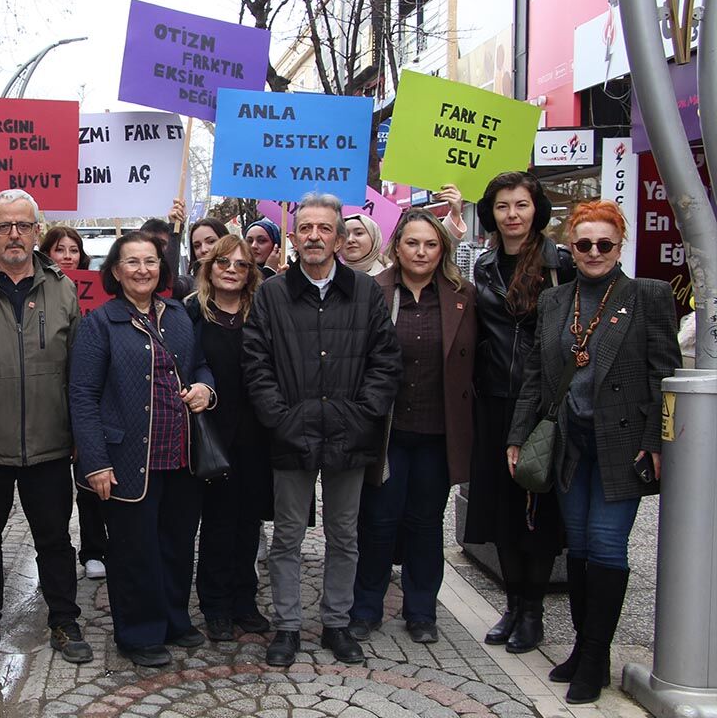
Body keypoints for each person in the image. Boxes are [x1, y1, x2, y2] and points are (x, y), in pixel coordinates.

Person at [507, 200, 680, 704]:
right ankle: (589, 652)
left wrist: (656, 442)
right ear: (572, 249)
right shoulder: (557, 302)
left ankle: (591, 655)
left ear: (619, 245)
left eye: (605, 243)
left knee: (606, 548)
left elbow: (663, 375)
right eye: (584, 244)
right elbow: (537, 376)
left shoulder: (648, 295)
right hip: (569, 445)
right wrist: (518, 436)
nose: (594, 252)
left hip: (622, 444)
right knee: (578, 549)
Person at [243, 193, 403, 667]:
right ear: (293, 235)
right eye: (306, 227)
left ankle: (337, 622)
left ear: (338, 237)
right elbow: (256, 362)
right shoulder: (271, 293)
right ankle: (287, 627)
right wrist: (280, 417)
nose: (314, 236)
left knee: (344, 534)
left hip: (348, 433)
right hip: (291, 433)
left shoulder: (365, 291)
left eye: (324, 228)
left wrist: (361, 415)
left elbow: (385, 362)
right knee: (288, 535)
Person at [0, 189, 92, 665]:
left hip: (49, 444)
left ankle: (64, 621)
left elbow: (76, 369)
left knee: (54, 538)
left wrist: (76, 434)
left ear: (36, 232)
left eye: (23, 226)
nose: (14, 235)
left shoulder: (61, 287)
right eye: (4, 226)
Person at [69, 231, 217, 666]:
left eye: (150, 261)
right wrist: (95, 461)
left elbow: (200, 364)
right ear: (115, 271)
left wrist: (207, 387)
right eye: (132, 262)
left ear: (162, 269)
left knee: (176, 543)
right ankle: (138, 634)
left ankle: (174, 619)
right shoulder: (101, 322)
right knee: (135, 550)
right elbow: (82, 394)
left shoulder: (178, 314)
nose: (142, 270)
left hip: (181, 453)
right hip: (128, 458)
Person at [349, 209, 477, 645]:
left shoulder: (462, 294)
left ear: (442, 249)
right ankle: (365, 608)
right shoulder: (371, 291)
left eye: (430, 244)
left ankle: (421, 610)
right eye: (412, 243)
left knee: (426, 524)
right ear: (396, 245)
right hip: (386, 431)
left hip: (438, 432)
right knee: (378, 522)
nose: (421, 252)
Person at [463, 171, 575, 654]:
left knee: (538, 508)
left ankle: (534, 610)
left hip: (543, 404)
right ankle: (511, 605)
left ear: (537, 210)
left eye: (522, 205)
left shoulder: (561, 265)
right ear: (492, 212)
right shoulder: (483, 265)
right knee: (502, 510)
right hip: (492, 400)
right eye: (504, 206)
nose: (512, 214)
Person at [183, 235, 273, 642]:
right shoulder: (191, 314)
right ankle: (215, 605)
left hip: (256, 433)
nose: (232, 270)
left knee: (248, 523)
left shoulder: (263, 312)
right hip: (209, 433)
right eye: (224, 263)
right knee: (217, 523)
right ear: (210, 267)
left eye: (241, 264)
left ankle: (245, 601)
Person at [40, 226, 107, 581]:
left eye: (73, 249)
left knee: (90, 477)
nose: (67, 256)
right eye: (59, 249)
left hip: (87, 396)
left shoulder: (96, 290)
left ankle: (95, 547)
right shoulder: (38, 291)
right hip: (50, 400)